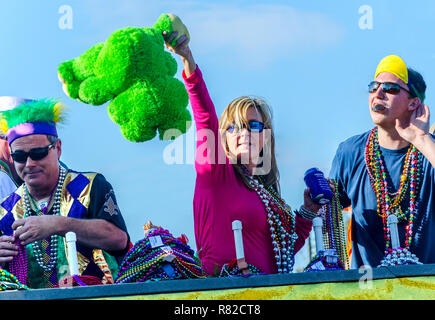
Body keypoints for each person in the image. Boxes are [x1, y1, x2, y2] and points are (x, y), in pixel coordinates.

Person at [163, 26, 319, 276]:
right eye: (235, 127)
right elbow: (204, 116)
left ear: (266, 137)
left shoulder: (265, 191)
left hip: (271, 292)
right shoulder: (216, 173)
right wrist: (188, 60)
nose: (244, 132)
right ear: (223, 137)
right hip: (222, 293)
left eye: (253, 125)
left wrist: (308, 212)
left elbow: (284, 251)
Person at [0, 99, 130, 288]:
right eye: (20, 156)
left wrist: (59, 224)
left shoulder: (91, 185)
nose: (29, 164)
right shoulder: (6, 209)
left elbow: (119, 240)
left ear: (58, 148)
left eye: (38, 153)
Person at [329, 55, 435, 268]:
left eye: (390, 88)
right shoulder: (350, 152)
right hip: (369, 288)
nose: (378, 94)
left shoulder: (428, 150)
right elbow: (328, 217)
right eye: (373, 86)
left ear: (414, 103)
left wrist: (421, 139)